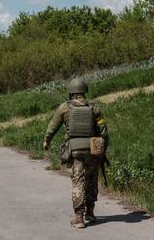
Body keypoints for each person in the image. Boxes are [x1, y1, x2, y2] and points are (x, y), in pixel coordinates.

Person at [43, 77, 109, 229]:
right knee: (91, 180)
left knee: (78, 182)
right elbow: (104, 131)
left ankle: (79, 218)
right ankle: (91, 213)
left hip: (75, 150)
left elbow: (53, 126)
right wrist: (104, 149)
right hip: (93, 150)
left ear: (71, 92)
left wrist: (47, 140)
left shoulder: (64, 108)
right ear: (84, 91)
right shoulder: (94, 107)